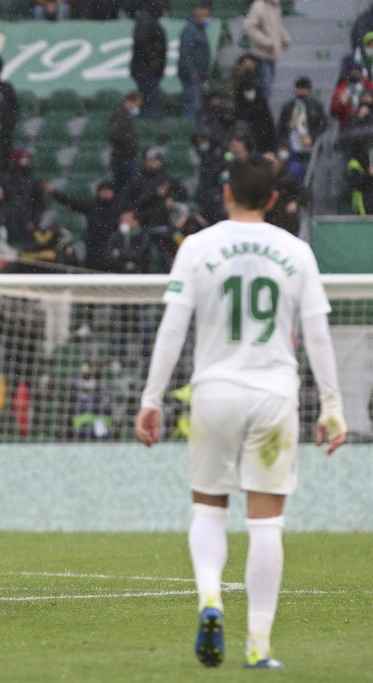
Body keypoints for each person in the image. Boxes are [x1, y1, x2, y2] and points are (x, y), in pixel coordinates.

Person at [135, 154, 347, 670]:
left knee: (208, 508)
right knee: (266, 523)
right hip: (274, 394)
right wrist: (333, 406)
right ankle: (258, 644)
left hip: (213, 392)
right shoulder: (296, 251)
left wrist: (151, 398)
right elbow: (316, 332)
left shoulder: (197, 247)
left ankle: (210, 598)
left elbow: (172, 328)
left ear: (225, 194)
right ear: (274, 200)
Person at [45, 179, 121, 272]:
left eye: (108, 190)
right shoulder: (92, 208)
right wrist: (54, 192)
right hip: (93, 248)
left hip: (112, 246)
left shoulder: (120, 210)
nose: (105, 193)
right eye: (102, 190)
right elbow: (71, 202)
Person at [276, 77, 328, 180]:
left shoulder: (316, 105)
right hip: (290, 146)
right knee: (288, 174)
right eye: (300, 88)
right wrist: (283, 144)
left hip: (309, 148)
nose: (302, 91)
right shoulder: (288, 106)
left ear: (309, 90)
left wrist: (312, 136)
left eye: (305, 88)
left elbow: (324, 124)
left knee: (308, 176)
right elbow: (281, 127)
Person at [242, 0, 290, 102]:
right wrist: (267, 42)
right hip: (260, 55)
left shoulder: (275, 5)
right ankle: (260, 115)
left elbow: (277, 25)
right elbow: (249, 26)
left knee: (266, 89)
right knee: (265, 89)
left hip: (272, 55)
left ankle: (261, 114)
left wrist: (285, 38)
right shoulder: (259, 5)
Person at [131, 1, 167, 119]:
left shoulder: (148, 20)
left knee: (148, 103)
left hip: (146, 70)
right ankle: (147, 130)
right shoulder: (147, 21)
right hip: (146, 70)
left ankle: (146, 128)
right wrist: (153, 58)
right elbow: (141, 41)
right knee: (150, 105)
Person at [178, 3, 212, 119]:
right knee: (193, 105)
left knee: (196, 105)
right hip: (192, 76)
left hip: (198, 74)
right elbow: (185, 53)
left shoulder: (199, 29)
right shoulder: (190, 30)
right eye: (206, 16)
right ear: (198, 14)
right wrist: (192, 71)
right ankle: (185, 130)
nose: (208, 19)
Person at [109, 92, 142, 192]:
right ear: (131, 101)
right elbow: (114, 133)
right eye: (137, 103)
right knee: (137, 183)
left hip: (124, 156)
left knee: (121, 186)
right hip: (123, 157)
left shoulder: (124, 114)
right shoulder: (121, 114)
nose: (138, 107)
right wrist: (129, 142)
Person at [329, 63, 372, 131]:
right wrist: (343, 104)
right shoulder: (341, 89)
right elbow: (333, 112)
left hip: (368, 126)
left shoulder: (368, 85)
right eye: (353, 71)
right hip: (348, 128)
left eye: (357, 71)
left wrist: (368, 104)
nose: (355, 73)